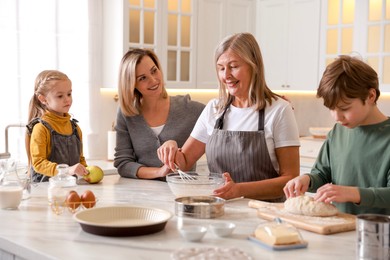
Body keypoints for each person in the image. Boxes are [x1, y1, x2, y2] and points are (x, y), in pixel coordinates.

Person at [157, 33, 300, 201]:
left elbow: (290, 179)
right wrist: (171, 146)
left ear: (254, 66)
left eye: (233, 66)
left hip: (264, 213)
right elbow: (184, 162)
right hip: (219, 209)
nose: (226, 76)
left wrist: (239, 189)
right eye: (221, 68)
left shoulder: (279, 110)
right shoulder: (214, 109)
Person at [283, 55, 390, 215]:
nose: (336, 117)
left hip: (379, 234)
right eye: (331, 108)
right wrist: (307, 180)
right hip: (338, 228)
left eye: (344, 108)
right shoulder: (337, 132)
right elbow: (322, 173)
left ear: (370, 96)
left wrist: (353, 193)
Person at [113, 48, 205, 179]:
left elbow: (221, 124)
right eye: (143, 78)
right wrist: (160, 172)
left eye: (154, 71)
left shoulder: (190, 109)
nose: (154, 80)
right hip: (142, 194)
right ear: (132, 84)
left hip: (182, 192)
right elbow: (123, 164)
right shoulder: (126, 114)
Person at [26, 70, 88, 182]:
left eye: (69, 94)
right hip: (45, 189)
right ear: (43, 99)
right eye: (60, 96)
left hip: (68, 187)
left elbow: (80, 159)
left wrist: (86, 172)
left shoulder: (75, 128)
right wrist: (67, 170)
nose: (67, 99)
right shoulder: (41, 128)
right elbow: (38, 164)